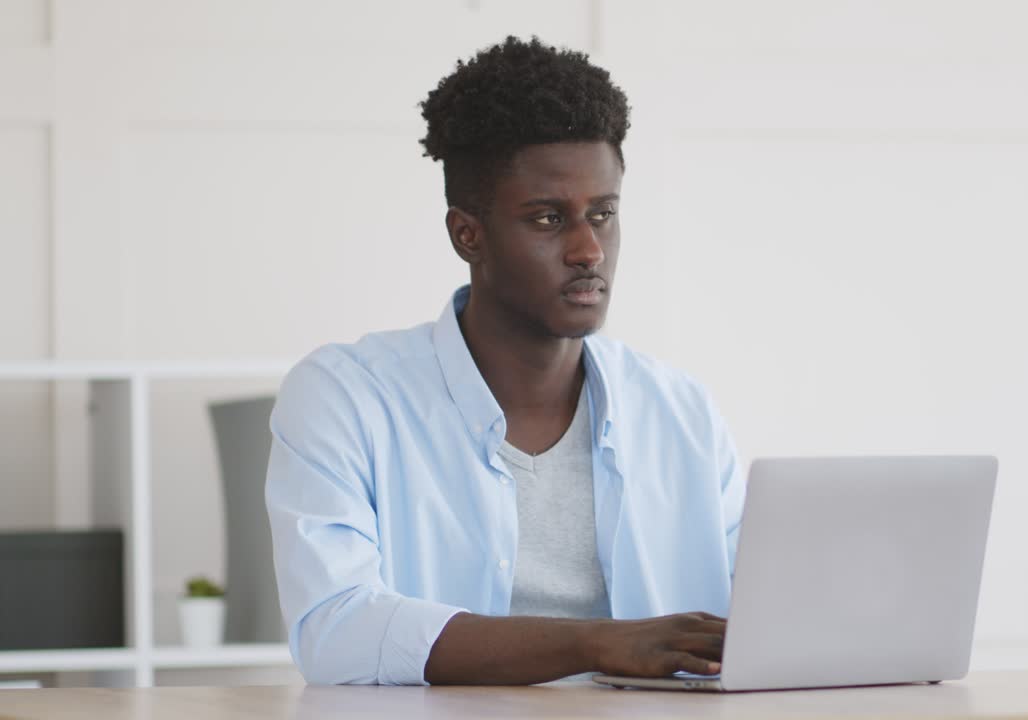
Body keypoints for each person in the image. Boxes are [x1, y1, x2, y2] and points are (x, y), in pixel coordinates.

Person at [265, 36, 745, 686]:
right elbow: (338, 631)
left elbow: (761, 613)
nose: (588, 250)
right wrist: (597, 644)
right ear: (468, 234)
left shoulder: (680, 411)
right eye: (549, 219)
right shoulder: (345, 398)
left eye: (603, 215)